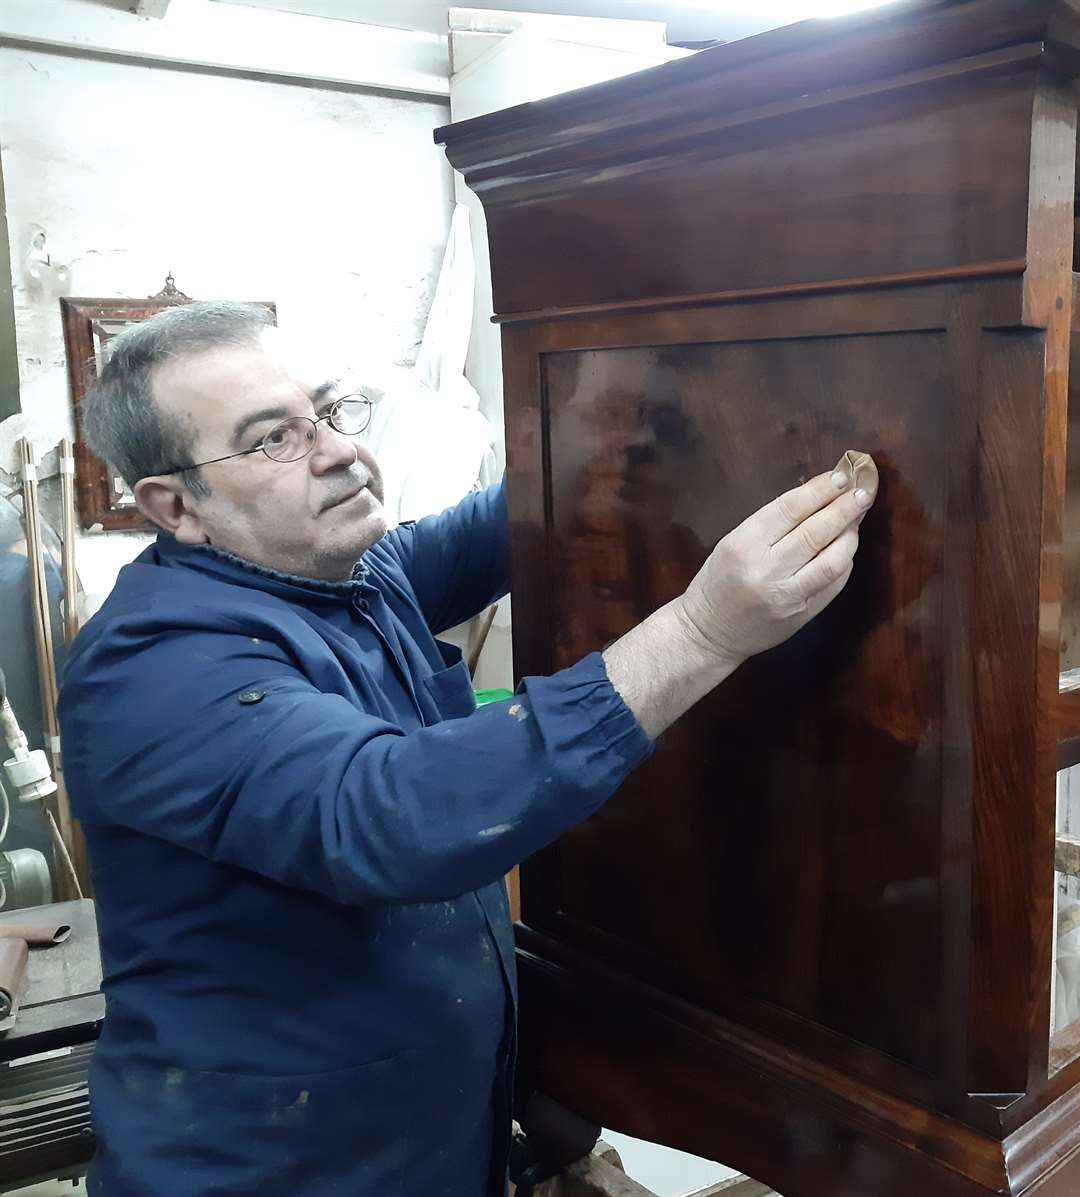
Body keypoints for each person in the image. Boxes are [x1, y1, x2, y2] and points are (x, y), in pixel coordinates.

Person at [58, 301, 876, 1196]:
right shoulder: (151, 668)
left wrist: (627, 413)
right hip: (270, 1170)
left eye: (327, 412)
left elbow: (514, 514)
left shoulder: (351, 574)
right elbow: (393, 813)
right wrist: (705, 629)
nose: (338, 451)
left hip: (432, 1140)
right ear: (176, 505)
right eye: (273, 440)